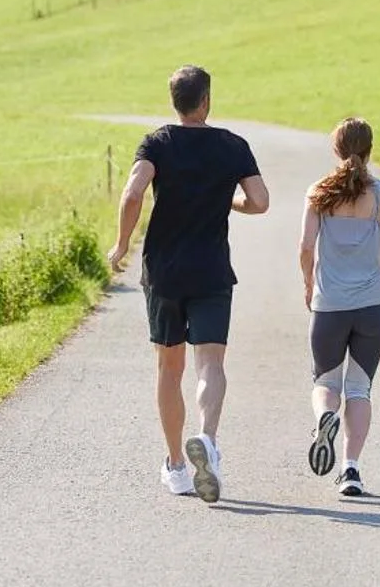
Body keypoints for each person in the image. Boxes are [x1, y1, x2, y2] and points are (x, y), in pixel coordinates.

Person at [109, 65, 269, 503]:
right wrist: (229, 200)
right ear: (206, 101)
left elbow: (133, 193)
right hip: (212, 269)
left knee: (169, 368)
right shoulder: (233, 146)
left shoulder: (157, 142)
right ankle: (210, 441)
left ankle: (177, 466)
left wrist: (121, 244)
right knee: (211, 365)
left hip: (163, 271)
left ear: (175, 101)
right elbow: (260, 201)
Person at [298, 117, 380, 498]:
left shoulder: (318, 194)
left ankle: (325, 418)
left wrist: (308, 282)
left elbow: (305, 248)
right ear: (370, 150)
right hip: (373, 308)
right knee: (359, 388)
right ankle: (350, 469)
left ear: (336, 150)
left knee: (326, 383)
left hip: (329, 307)